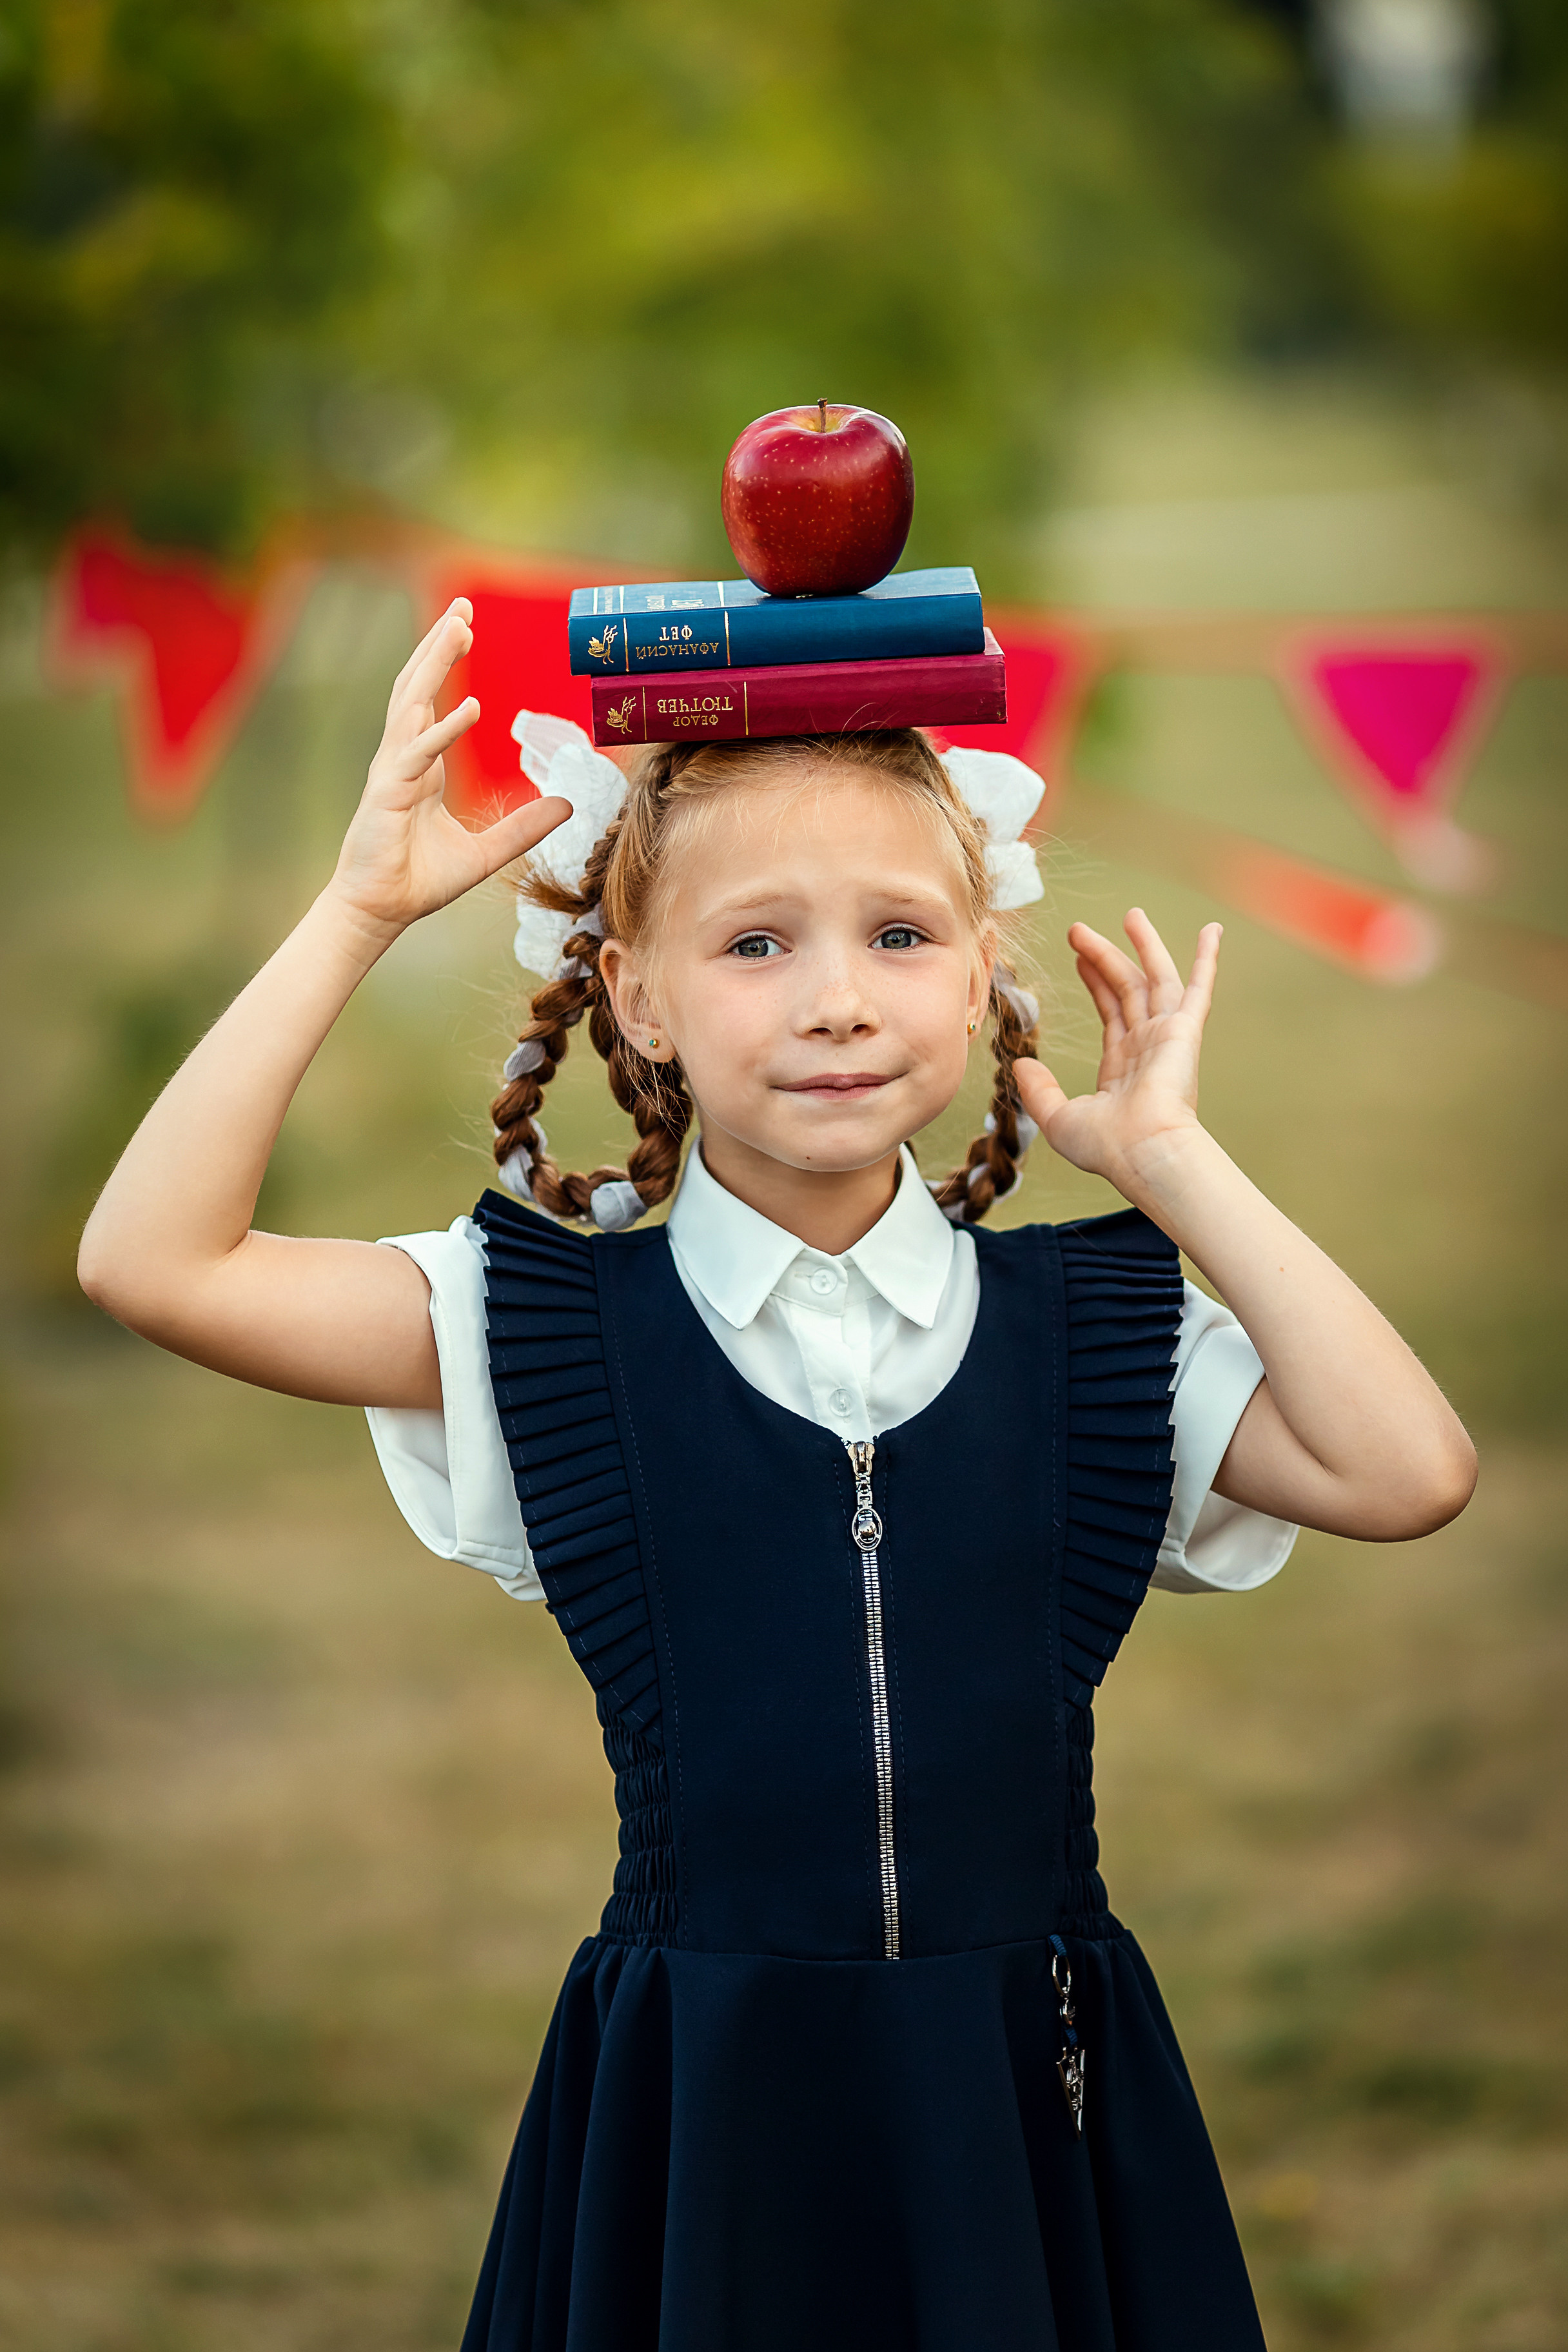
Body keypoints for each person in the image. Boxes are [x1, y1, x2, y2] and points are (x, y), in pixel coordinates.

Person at [79, 599, 1477, 2352]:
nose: (834, 1000)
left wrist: (1177, 1169)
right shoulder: (539, 1331)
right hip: (700, 2112)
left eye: (899, 934)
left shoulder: (1091, 1330)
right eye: (755, 946)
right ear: (637, 999)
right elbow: (155, 1262)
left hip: (1025, 2099)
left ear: (982, 976)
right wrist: (362, 909)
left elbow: (1409, 1466)